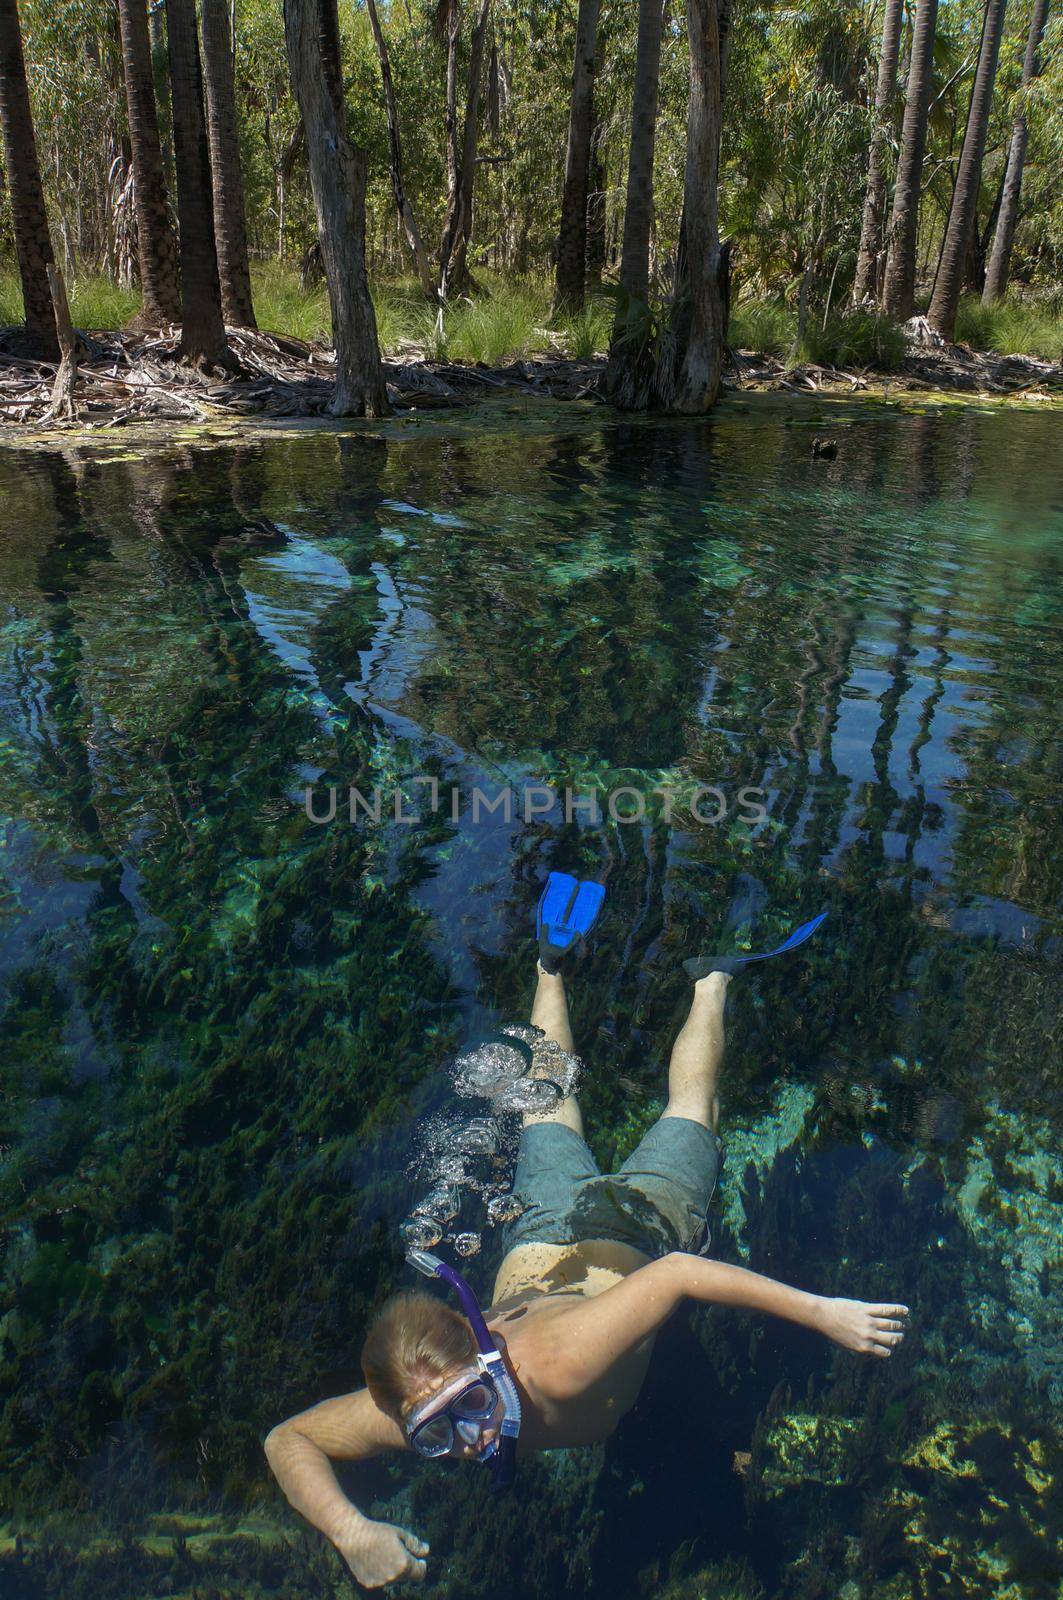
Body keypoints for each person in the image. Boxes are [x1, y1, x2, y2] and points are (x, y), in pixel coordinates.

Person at [264, 935, 910, 1590]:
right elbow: (287, 1440)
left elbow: (677, 1275)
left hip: (636, 1221)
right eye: (434, 1435)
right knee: (547, 1099)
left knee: (693, 1109)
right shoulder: (411, 1401)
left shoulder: (567, 1362)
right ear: (407, 1422)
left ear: (484, 1358)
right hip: (539, 1229)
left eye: (472, 1403)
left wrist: (822, 1312)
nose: (469, 1440)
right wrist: (351, 1531)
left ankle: (709, 980)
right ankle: (548, 966)